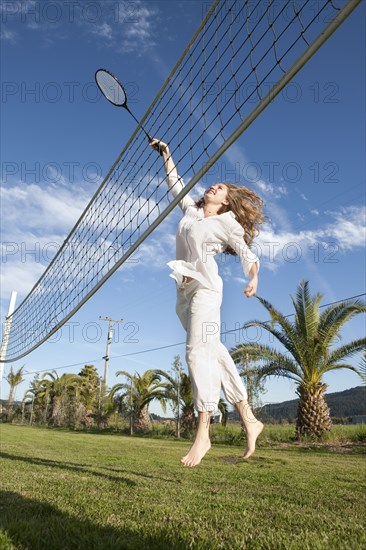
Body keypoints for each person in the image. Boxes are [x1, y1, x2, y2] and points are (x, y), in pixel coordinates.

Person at [150, 138, 265, 467]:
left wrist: (253, 276)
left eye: (221, 188)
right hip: (183, 294)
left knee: (197, 351)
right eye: (215, 184)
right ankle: (249, 416)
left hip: (207, 290)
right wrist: (167, 154)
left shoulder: (227, 224)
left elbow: (247, 253)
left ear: (227, 202)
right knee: (213, 351)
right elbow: (175, 183)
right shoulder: (191, 210)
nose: (214, 185)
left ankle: (203, 432)